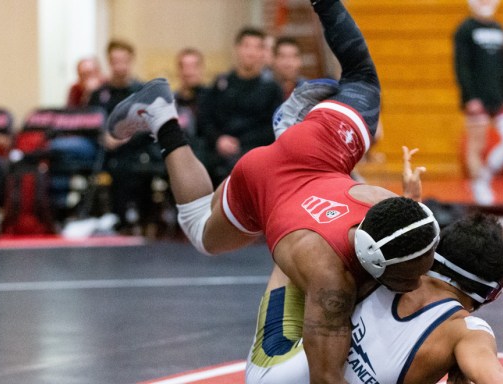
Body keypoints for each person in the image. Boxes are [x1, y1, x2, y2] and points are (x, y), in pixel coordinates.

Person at [105, 1, 439, 382]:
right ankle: (164, 119)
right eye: (409, 275)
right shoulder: (329, 284)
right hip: (267, 184)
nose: (415, 281)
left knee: (363, 79)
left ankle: (292, 118)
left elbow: (410, 223)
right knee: (200, 227)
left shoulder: (385, 205)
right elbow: (325, 378)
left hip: (315, 148)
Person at [245, 212, 503, 384]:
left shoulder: (390, 271)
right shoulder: (467, 332)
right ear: (492, 290)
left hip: (271, 375)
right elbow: (494, 378)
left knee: (305, 248)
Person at [454, 0, 503, 206]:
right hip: (477, 97)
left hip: (498, 97)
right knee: (478, 145)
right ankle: (479, 187)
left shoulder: (498, 29)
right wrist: (469, 97)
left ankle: (485, 175)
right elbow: (461, 65)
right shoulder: (465, 29)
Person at [197, 27, 284, 185]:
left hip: (255, 156)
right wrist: (218, 139)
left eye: (257, 47)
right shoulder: (220, 84)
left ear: (263, 52)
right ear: (237, 49)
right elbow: (205, 119)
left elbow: (274, 126)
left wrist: (243, 145)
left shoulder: (272, 89)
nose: (250, 52)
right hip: (218, 155)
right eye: (246, 46)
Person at [88, 39, 157, 234]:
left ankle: (141, 219)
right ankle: (109, 218)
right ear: (109, 62)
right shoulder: (99, 94)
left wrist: (125, 137)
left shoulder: (143, 92)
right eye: (115, 61)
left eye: (124, 61)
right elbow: (91, 123)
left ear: (131, 61)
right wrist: (104, 137)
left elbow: (149, 124)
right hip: (107, 150)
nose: (120, 66)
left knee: (136, 167)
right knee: (112, 166)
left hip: (137, 148)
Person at [174, 47, 208, 115]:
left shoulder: (212, 101)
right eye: (183, 66)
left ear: (201, 69)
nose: (188, 72)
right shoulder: (171, 104)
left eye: (193, 66)